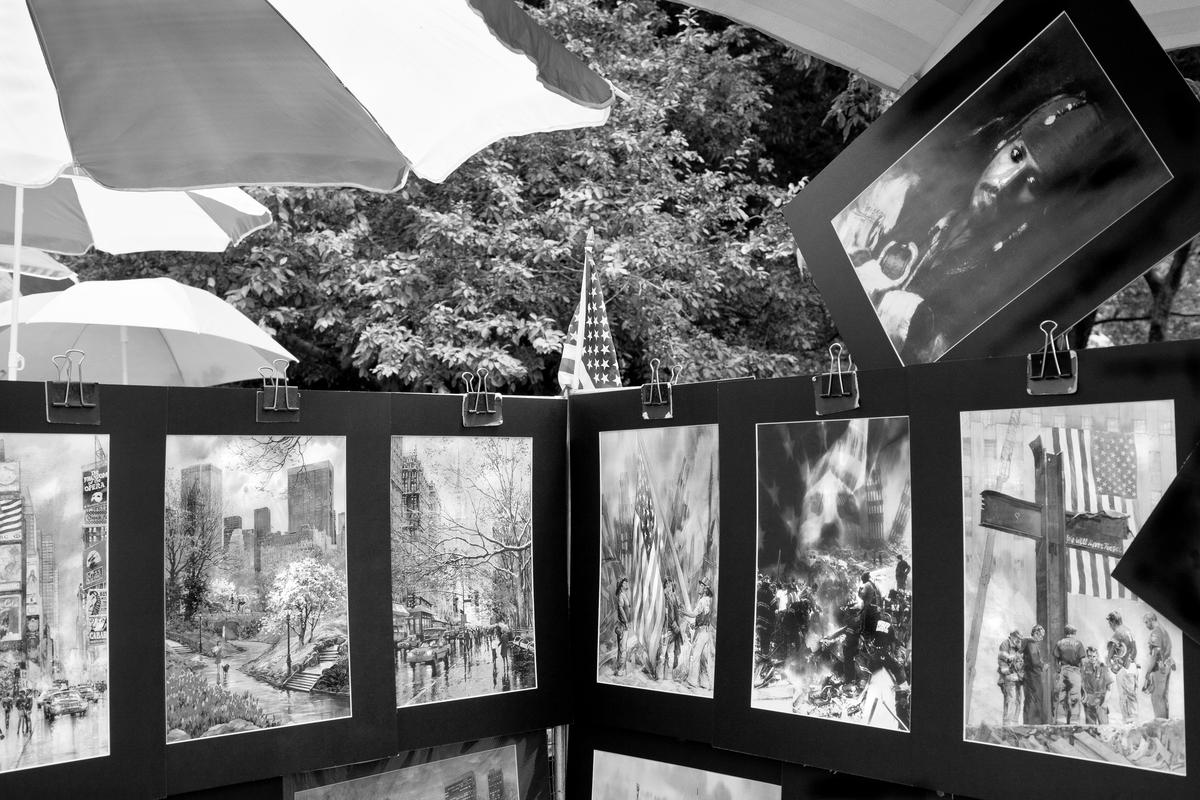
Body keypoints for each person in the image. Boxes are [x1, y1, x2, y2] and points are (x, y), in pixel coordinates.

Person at [1107, 611, 1139, 720]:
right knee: (1132, 695)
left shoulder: (1118, 632)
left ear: (1112, 622)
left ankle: (1128, 720)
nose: (1109, 626)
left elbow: (1111, 648)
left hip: (1124, 668)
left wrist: (1109, 661)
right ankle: (1133, 719)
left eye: (1110, 623)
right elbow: (1134, 650)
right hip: (1132, 667)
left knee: (1124, 696)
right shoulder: (1128, 630)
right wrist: (1130, 659)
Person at [684, 578, 715, 691]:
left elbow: (693, 614)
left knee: (695, 656)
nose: (699, 587)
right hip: (707, 632)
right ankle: (705, 682)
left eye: (701, 586)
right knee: (704, 658)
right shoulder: (710, 600)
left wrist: (683, 612)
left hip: (702, 632)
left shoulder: (702, 601)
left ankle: (693, 681)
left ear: (706, 589)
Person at [1142, 612, 1174, 719]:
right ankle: (1165, 723)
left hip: (1159, 669)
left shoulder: (1155, 633)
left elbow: (1155, 654)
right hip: (1167, 666)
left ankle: (1160, 723)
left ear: (1152, 620)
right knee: (1164, 697)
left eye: (1146, 622)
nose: (1146, 625)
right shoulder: (1164, 631)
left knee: (1156, 697)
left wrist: (1148, 672)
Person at [1053, 624, 1085, 724]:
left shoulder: (1059, 643)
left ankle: (1061, 720)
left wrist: (1058, 671)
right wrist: (1082, 674)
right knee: (1075, 696)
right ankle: (1074, 720)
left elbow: (1056, 659)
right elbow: (1082, 661)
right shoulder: (1078, 643)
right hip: (1074, 672)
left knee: (1062, 696)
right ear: (1074, 633)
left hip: (1063, 671)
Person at [997, 629, 1025, 727]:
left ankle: (1015, 722)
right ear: (1013, 636)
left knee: (1018, 699)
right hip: (1008, 677)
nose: (1019, 640)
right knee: (1010, 699)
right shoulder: (1005, 644)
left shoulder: (1018, 646)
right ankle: (1007, 723)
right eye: (1018, 638)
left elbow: (1021, 661)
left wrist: (1020, 675)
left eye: (1020, 639)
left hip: (1017, 677)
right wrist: (1008, 673)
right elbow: (1002, 661)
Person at [1021, 625, 1047, 724]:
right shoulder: (1031, 643)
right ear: (1035, 633)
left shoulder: (1026, 642)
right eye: (1041, 636)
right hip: (1033, 676)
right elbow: (1034, 661)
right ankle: (1034, 723)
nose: (1042, 638)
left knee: (1028, 699)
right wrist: (1043, 665)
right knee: (1036, 698)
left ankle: (1027, 722)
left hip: (1028, 675)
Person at [1082, 646, 1113, 725]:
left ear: (1097, 656)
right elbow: (1082, 685)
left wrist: (1105, 703)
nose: (1092, 658)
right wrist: (1084, 698)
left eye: (1094, 656)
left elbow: (1109, 688)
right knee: (1090, 728)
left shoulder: (1103, 668)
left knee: (1104, 728)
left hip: (1100, 702)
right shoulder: (1085, 668)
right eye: (1089, 656)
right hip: (1089, 702)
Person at [659, 577, 683, 679]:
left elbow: (678, 608)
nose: (669, 586)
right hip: (665, 629)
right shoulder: (662, 597)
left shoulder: (674, 597)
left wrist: (681, 608)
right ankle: (659, 677)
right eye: (667, 584)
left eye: (670, 584)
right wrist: (674, 625)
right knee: (662, 655)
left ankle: (668, 677)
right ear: (665, 585)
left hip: (673, 631)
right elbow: (667, 615)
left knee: (671, 654)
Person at [613, 577, 630, 677]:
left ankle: (620, 668)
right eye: (625, 583)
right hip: (622, 625)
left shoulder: (624, 595)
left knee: (622, 648)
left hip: (623, 624)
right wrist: (626, 621)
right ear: (621, 585)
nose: (627, 584)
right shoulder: (621, 596)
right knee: (623, 648)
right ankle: (620, 670)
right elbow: (621, 609)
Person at [857, 571, 881, 636]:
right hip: (876, 606)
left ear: (864, 579)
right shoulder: (873, 584)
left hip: (869, 607)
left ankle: (865, 633)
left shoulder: (866, 585)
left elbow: (862, 595)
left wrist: (859, 590)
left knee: (864, 620)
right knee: (873, 623)